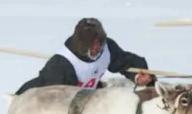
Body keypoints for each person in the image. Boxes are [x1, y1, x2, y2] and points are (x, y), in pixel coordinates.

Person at [15, 17, 154, 93]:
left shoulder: (107, 48)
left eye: (98, 43)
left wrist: (138, 77)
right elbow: (54, 101)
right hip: (37, 101)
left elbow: (126, 62)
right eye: (90, 44)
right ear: (80, 43)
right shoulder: (60, 64)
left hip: (85, 99)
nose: (96, 49)